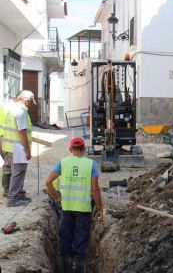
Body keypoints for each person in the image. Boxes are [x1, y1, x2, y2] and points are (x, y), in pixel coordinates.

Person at [45, 137, 104, 273]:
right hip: (84, 208)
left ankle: (66, 268)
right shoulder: (91, 164)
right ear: (83, 149)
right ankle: (79, 268)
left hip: (66, 208)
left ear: (70, 149)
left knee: (66, 236)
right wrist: (100, 209)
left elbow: (48, 182)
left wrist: (56, 198)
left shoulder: (62, 163)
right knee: (81, 238)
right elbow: (95, 189)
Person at [3, 90, 36, 207]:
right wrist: (27, 150)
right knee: (19, 172)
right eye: (30, 102)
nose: (30, 104)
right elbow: (21, 131)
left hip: (8, 145)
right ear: (27, 101)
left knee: (12, 170)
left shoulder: (9, 108)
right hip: (18, 146)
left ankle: (14, 194)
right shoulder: (21, 111)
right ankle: (13, 199)